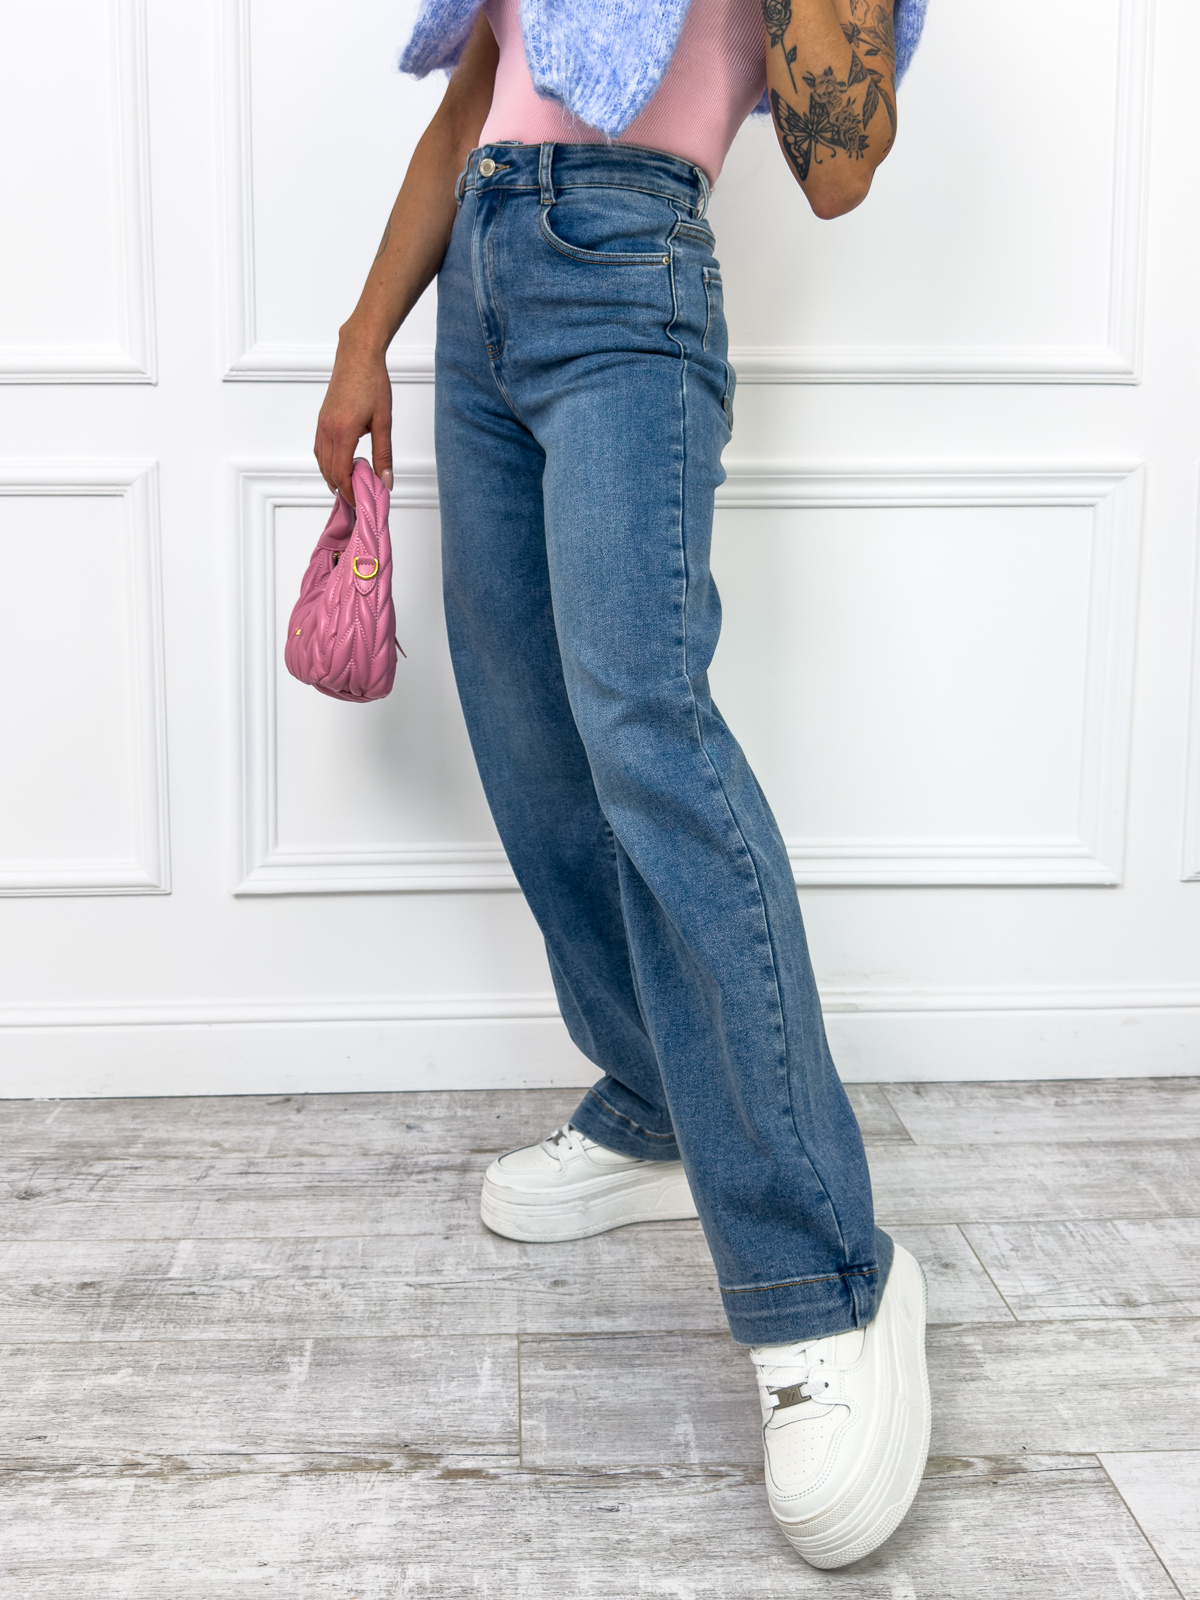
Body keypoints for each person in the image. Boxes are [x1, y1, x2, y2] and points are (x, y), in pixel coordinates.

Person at [315, 0, 930, 1569]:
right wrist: (365, 335)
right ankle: (656, 1100)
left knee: (650, 737)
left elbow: (839, 171)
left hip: (627, 273)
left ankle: (827, 1281)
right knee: (528, 731)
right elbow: (477, 96)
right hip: (482, 278)